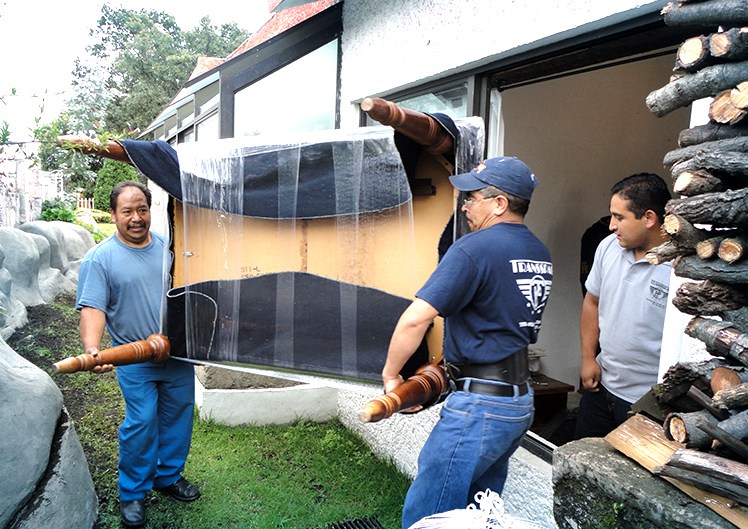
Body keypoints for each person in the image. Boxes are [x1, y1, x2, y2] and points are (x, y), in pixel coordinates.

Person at [381, 157, 553, 529]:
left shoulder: (472, 249)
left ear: (499, 203)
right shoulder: (539, 251)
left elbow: (416, 318)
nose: (465, 205)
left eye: (472, 197)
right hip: (519, 401)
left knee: (431, 513)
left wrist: (392, 375)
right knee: (480, 511)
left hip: (480, 406)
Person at [76, 181, 200, 527]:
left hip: (177, 355)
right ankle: (132, 492)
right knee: (142, 422)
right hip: (134, 358)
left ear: (151, 211)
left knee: (178, 417)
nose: (136, 218)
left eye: (142, 209)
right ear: (113, 214)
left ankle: (168, 476)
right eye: (127, 211)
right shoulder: (100, 259)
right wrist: (92, 349)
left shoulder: (169, 249)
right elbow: (93, 308)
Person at [574, 173, 672, 439]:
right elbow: (592, 302)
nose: (611, 226)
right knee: (579, 466)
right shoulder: (608, 247)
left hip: (647, 403)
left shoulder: (680, 267)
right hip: (600, 389)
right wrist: (587, 359)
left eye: (620, 217)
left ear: (649, 218)